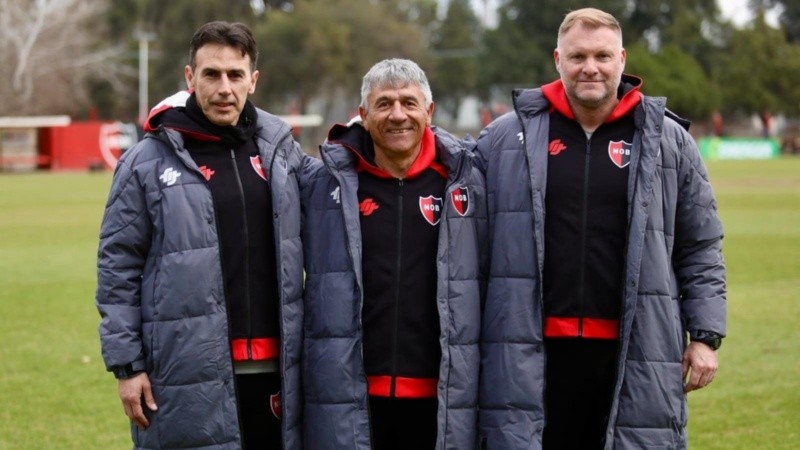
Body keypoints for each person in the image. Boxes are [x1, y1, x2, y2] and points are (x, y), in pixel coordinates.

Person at [475, 8, 727, 449]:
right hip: (530, 350)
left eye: (602, 56)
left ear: (622, 59)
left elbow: (700, 243)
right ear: (558, 59)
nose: (590, 67)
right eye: (578, 57)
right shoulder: (504, 138)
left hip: (635, 346)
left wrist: (705, 336)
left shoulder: (668, 140)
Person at [96, 21, 306, 449]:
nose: (224, 87)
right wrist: (127, 367)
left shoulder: (283, 154)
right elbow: (117, 266)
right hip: (185, 370)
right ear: (190, 77)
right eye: (212, 74)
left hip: (278, 368)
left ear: (253, 80)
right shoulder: (146, 161)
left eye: (235, 75)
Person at [299, 58, 487, 449]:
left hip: (443, 399)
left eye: (409, 102)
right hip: (353, 399)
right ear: (363, 116)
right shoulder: (324, 186)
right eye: (384, 104)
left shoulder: (470, 182)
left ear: (429, 111)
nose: (397, 115)